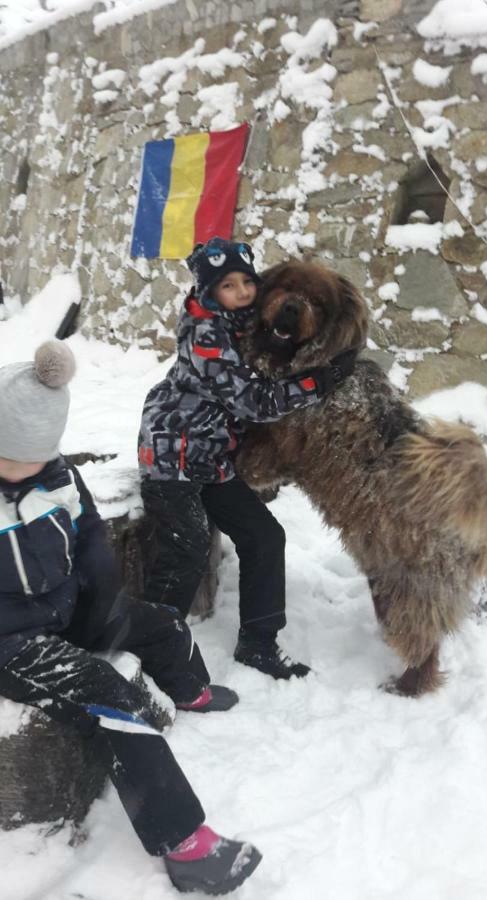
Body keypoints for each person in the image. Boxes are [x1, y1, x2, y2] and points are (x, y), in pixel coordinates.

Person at [0, 340, 261, 896]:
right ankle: (185, 845)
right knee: (110, 698)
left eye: (36, 458)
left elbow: (91, 534)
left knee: (162, 622)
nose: (24, 471)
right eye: (10, 459)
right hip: (13, 641)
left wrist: (102, 599)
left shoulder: (56, 475)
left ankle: (188, 690)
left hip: (64, 608)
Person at [139, 236, 356, 680]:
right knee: (187, 546)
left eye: (246, 282)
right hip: (173, 457)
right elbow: (253, 401)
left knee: (264, 536)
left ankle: (258, 641)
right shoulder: (205, 335)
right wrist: (317, 383)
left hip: (212, 461)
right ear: (207, 293)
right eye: (227, 286)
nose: (240, 292)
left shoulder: (246, 325)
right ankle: (149, 648)